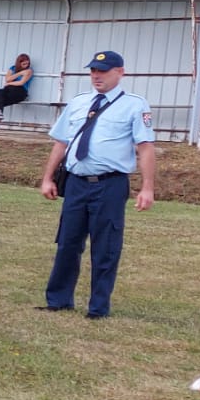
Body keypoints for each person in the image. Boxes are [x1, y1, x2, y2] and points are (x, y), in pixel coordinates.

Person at [39, 50, 156, 320]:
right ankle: (58, 300)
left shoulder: (134, 105)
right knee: (67, 243)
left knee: (105, 246)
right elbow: (61, 142)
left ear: (120, 72)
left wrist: (147, 187)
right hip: (77, 183)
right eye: (92, 71)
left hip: (109, 185)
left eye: (102, 71)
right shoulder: (79, 102)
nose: (96, 76)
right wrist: (47, 177)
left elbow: (146, 148)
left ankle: (98, 307)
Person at [0, 54, 33, 128]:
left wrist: (9, 83)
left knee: (1, 99)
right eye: (24, 64)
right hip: (10, 92)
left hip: (20, 92)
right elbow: (7, 79)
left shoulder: (29, 70)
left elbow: (21, 83)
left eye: (27, 63)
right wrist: (20, 73)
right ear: (19, 63)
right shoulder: (13, 68)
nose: (26, 65)